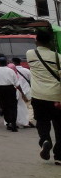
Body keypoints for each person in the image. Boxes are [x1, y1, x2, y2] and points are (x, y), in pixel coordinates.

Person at [25, 29, 61, 165]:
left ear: (36, 41)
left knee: (42, 122)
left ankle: (45, 140)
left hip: (38, 96)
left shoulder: (30, 54)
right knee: (59, 127)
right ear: (51, 42)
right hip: (56, 97)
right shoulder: (58, 57)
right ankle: (59, 156)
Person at [0, 55, 20, 132]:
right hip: (10, 88)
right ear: (6, 63)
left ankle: (8, 122)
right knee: (13, 106)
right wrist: (21, 91)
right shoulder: (11, 70)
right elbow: (17, 83)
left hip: (0, 89)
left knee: (4, 106)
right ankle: (13, 122)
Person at [9, 60, 31, 128]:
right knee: (26, 107)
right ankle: (25, 122)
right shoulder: (27, 70)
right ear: (20, 63)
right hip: (26, 90)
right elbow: (31, 80)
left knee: (15, 107)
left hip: (16, 90)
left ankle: (14, 122)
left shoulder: (11, 71)